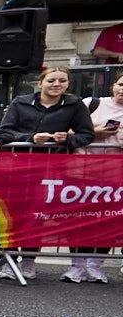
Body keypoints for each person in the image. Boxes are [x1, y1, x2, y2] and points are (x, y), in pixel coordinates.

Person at [0, 67, 95, 284]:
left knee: (38, 214)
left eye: (62, 81)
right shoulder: (20, 102)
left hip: (54, 168)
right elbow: (5, 131)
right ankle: (8, 260)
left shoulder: (74, 105)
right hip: (19, 166)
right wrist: (30, 137)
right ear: (40, 83)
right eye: (51, 80)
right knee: (13, 213)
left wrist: (66, 140)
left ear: (68, 84)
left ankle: (29, 261)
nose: (56, 84)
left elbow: (87, 134)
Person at [68, 71, 123, 282]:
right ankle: (77, 265)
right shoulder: (91, 103)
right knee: (76, 218)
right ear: (113, 86)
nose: (122, 90)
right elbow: (67, 130)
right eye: (121, 84)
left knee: (108, 220)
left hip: (113, 176)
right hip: (81, 171)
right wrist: (96, 132)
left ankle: (96, 264)